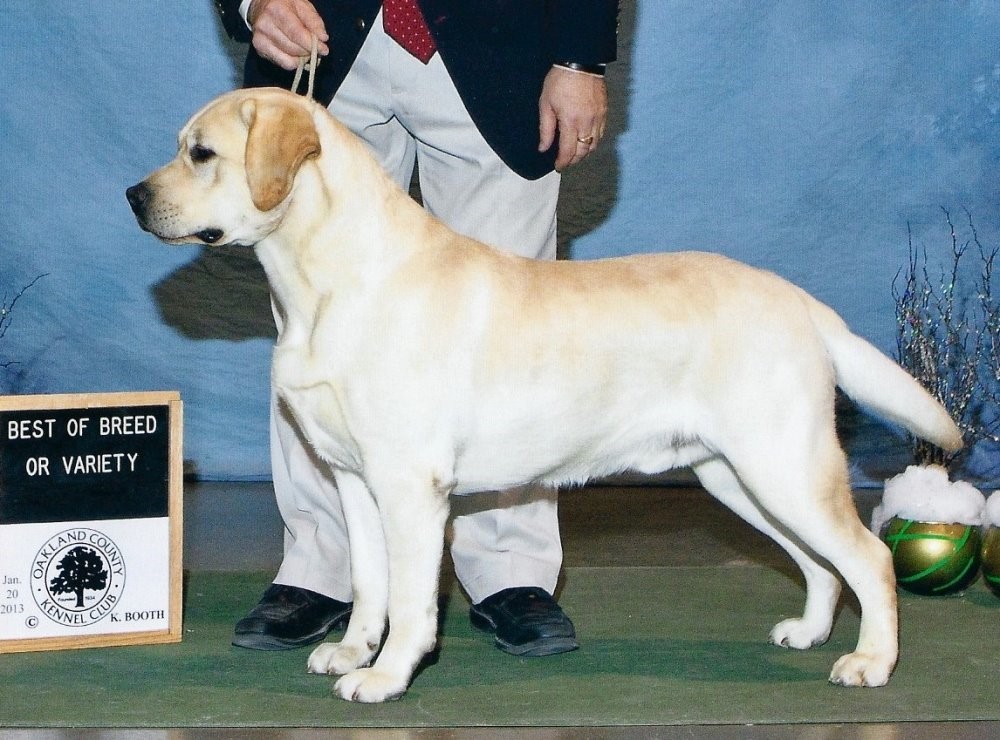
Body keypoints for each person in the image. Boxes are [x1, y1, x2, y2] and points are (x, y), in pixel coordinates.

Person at [215, 0, 618, 658]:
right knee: (314, 322)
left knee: (509, 328)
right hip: (320, 44)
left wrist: (577, 57)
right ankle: (321, 565)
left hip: (500, 45)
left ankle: (509, 569)